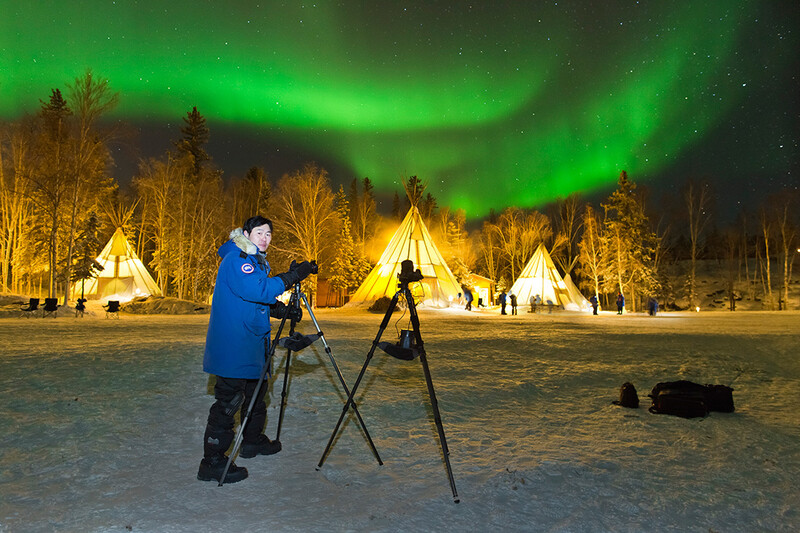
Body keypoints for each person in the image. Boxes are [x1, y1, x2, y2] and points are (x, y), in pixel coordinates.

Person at [198, 216, 315, 484]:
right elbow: (259, 290)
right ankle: (212, 461)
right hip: (234, 346)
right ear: (246, 233)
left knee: (256, 395)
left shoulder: (255, 261)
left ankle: (251, 441)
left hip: (251, 344)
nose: (265, 238)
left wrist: (280, 310)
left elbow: (254, 300)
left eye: (269, 234)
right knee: (229, 403)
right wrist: (293, 276)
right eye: (259, 233)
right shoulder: (238, 260)